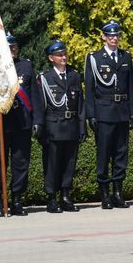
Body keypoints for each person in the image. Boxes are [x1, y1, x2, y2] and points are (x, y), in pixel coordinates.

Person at [85, 20, 133, 210]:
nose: (114, 38)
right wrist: (91, 114)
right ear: (103, 37)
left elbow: (130, 87)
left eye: (117, 35)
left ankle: (117, 192)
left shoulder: (125, 57)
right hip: (104, 112)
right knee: (104, 154)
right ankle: (105, 194)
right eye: (111, 36)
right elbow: (89, 89)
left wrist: (132, 111)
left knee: (121, 154)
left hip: (122, 111)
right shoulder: (94, 58)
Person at [32, 40, 84, 213]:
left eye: (65, 53)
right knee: (52, 163)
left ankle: (65, 196)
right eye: (59, 54)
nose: (64, 57)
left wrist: (82, 127)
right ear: (51, 58)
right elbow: (40, 105)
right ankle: (51, 198)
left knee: (70, 163)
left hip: (71, 125)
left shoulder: (74, 75)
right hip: (53, 127)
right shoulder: (45, 78)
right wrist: (40, 127)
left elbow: (80, 105)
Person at [0, 33, 35, 217]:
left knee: (20, 163)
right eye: (9, 47)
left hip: (21, 122)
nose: (13, 50)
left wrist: (37, 120)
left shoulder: (26, 65)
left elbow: (34, 95)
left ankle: (16, 199)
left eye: (15, 47)